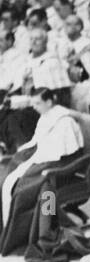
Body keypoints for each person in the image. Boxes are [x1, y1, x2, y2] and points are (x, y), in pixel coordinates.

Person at [0, 88, 81, 226]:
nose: (34, 107)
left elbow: (64, 153)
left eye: (37, 103)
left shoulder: (64, 121)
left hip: (57, 170)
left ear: (49, 102)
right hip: (46, 164)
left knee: (24, 191)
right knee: (7, 183)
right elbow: (40, 142)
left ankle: (45, 231)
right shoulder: (45, 117)